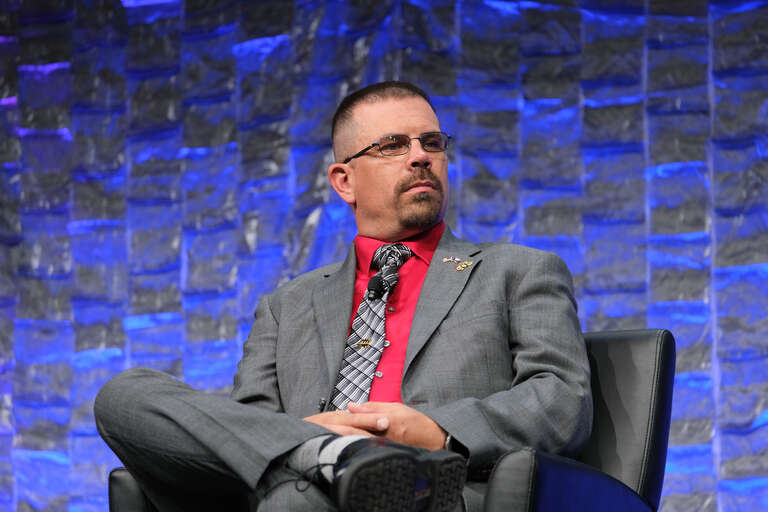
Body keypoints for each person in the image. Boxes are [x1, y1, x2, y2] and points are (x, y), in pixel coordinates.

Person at [95, 81, 592, 512]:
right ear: (344, 181)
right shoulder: (286, 304)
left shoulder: (515, 270)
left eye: (432, 143)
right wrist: (314, 442)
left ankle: (344, 465)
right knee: (123, 394)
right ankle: (328, 456)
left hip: (430, 493)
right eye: (393, 145)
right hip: (293, 485)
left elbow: (561, 402)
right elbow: (248, 427)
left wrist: (431, 430)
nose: (420, 156)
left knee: (296, 499)